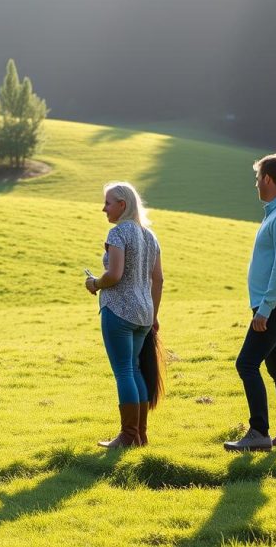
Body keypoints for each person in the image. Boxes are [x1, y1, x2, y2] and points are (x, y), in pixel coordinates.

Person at [224, 154, 276, 452]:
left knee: (246, 364)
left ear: (269, 179)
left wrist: (265, 309)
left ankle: (259, 432)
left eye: (258, 178)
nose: (256, 184)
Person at [86, 181, 164, 448]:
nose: (103, 208)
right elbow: (159, 280)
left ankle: (128, 436)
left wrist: (94, 283)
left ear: (122, 204)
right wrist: (153, 315)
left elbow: (115, 275)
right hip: (143, 314)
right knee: (135, 369)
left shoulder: (118, 233)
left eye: (107, 202)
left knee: (124, 371)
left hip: (118, 311)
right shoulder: (150, 237)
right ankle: (140, 435)